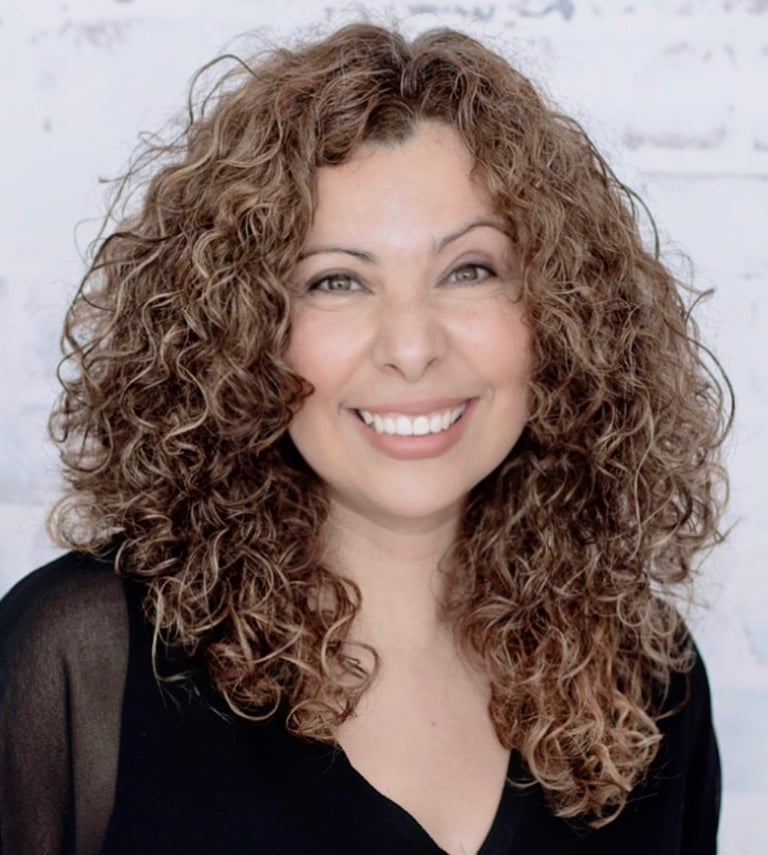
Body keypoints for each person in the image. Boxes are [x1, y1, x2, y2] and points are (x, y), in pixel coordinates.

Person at [0, 22, 729, 855]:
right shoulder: (88, 659)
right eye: (337, 280)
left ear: (562, 312)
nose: (411, 348)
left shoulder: (649, 683)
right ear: (244, 329)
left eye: (469, 270)